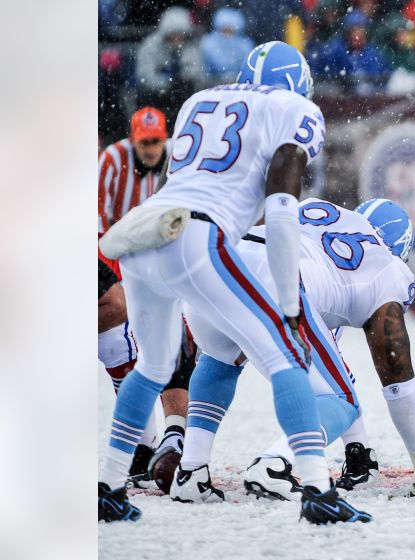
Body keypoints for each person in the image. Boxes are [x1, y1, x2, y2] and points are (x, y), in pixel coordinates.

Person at [97, 42, 369, 524]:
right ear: (299, 86)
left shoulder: (198, 100)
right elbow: (283, 207)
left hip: (149, 228)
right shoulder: (294, 108)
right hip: (198, 235)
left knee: (154, 365)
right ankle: (317, 490)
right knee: (286, 352)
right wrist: (287, 298)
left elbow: (185, 179)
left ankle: (109, 486)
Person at [180, 198, 415, 499]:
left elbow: (330, 358)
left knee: (220, 361)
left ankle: (191, 470)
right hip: (278, 282)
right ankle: (274, 464)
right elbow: (396, 371)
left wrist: (357, 451)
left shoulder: (320, 211)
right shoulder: (386, 266)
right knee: (341, 400)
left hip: (216, 261)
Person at [98, 107, 194, 486]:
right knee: (134, 336)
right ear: (133, 140)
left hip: (160, 249)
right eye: (145, 143)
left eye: (156, 142)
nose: (151, 150)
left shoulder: (178, 160)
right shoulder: (112, 160)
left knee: (168, 339)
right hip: (116, 250)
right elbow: (98, 220)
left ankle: (162, 440)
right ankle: (160, 440)